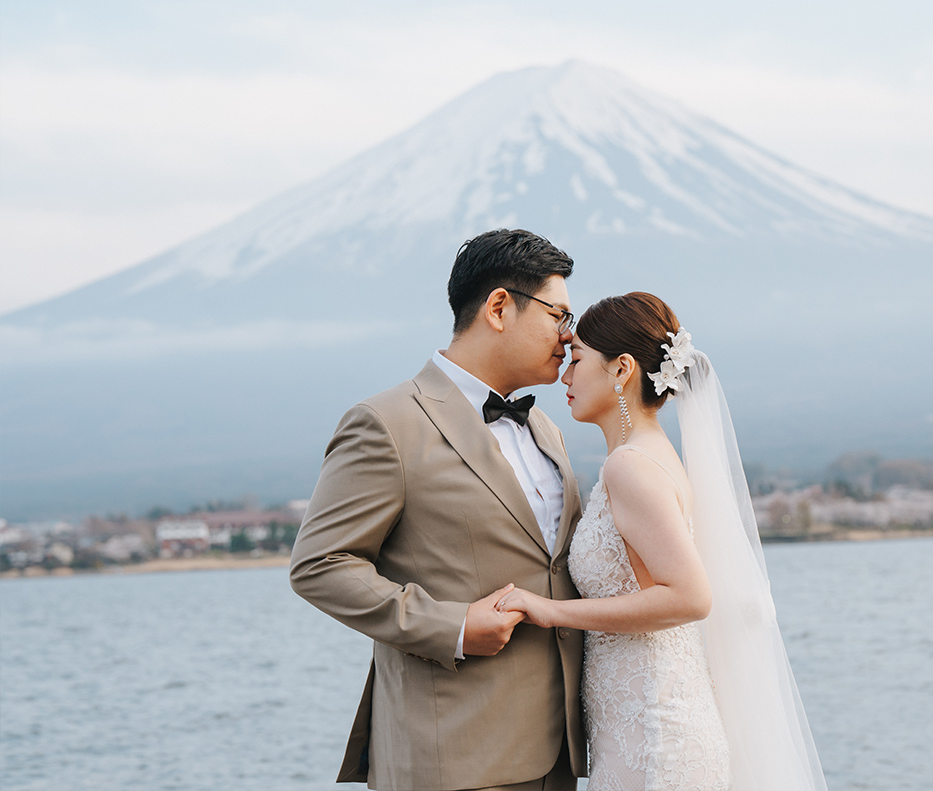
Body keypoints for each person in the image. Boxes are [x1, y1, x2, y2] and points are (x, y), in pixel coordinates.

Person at [290, 229, 587, 791]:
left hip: (561, 754)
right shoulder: (386, 423)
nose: (569, 338)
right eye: (558, 316)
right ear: (500, 307)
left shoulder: (545, 426)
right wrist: (453, 627)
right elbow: (319, 565)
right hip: (452, 754)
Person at [496, 292, 827, 791]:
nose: (565, 376)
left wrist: (547, 609)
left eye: (578, 359)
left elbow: (689, 596)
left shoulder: (630, 466)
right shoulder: (647, 456)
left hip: (654, 738)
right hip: (639, 726)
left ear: (621, 368)